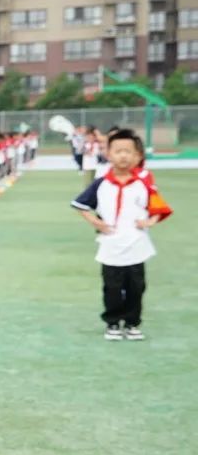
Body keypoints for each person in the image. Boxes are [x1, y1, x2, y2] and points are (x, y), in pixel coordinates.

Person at [70, 129, 172, 341]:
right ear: (108, 154)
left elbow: (158, 209)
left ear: (137, 156)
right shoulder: (101, 184)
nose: (123, 156)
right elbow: (79, 205)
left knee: (136, 287)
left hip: (137, 245)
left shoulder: (144, 185)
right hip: (111, 246)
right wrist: (95, 221)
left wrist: (149, 222)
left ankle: (133, 323)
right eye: (118, 151)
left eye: (128, 151)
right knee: (112, 288)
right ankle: (113, 322)